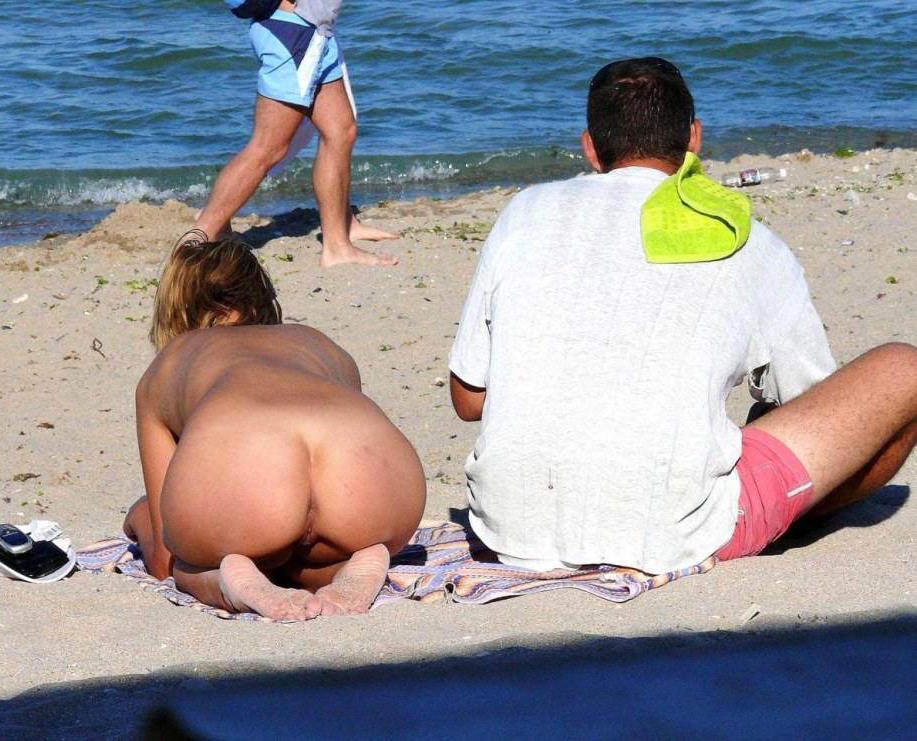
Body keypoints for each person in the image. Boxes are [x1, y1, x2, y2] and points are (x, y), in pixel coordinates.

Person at [448, 57, 917, 575]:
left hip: (507, 525)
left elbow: (468, 400)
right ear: (694, 137)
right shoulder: (742, 235)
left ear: (590, 147)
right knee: (904, 370)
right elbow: (809, 398)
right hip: (671, 531)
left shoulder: (524, 212)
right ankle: (783, 517)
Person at [123, 238, 426, 620]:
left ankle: (231, 580)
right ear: (263, 298)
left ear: (175, 312)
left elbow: (162, 558)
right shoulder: (318, 343)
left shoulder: (169, 363)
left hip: (252, 461)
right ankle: (361, 558)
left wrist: (141, 517)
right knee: (302, 553)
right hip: (367, 478)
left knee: (186, 565)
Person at [190, 0, 398, 267]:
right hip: (293, 34)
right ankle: (196, 241)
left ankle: (338, 243)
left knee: (340, 131)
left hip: (315, 33)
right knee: (267, 148)